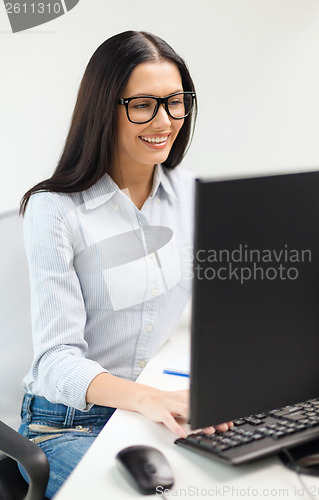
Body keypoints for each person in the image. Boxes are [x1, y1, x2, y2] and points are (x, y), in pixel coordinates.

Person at [18, 31, 230, 498]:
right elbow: (55, 362)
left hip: (153, 409)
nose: (165, 120)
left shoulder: (190, 193)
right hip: (68, 425)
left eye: (176, 102)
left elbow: (227, 303)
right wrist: (150, 400)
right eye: (143, 105)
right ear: (103, 108)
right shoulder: (56, 210)